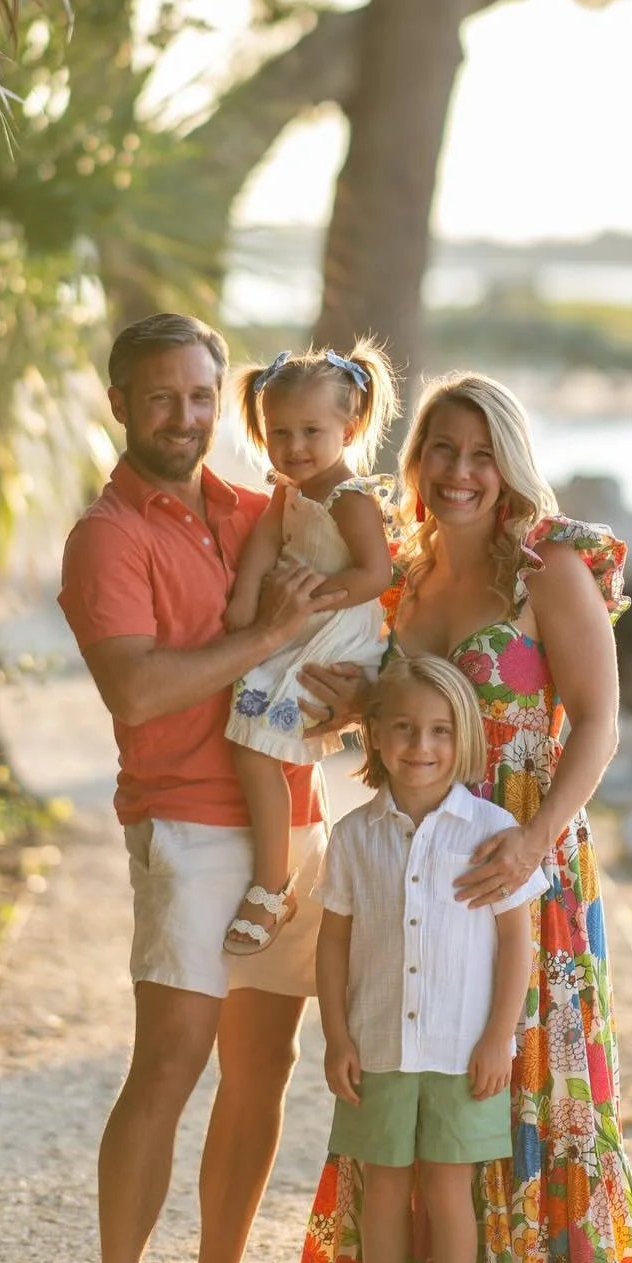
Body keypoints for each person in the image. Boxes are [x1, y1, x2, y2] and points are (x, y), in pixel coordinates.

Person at [290, 373, 632, 1263]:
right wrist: (350, 708)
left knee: (525, 1076)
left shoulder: (546, 568)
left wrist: (539, 840)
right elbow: (409, 714)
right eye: (441, 451)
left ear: (507, 463)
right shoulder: (403, 576)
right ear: (416, 461)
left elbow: (598, 722)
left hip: (521, 857)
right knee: (409, 1057)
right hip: (414, 865)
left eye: (480, 454)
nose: (460, 473)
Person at [58, 312, 337, 1263]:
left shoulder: (265, 508)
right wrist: (264, 636)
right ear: (120, 402)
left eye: (202, 395)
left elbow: (344, 626)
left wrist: (350, 699)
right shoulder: (107, 536)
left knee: (263, 1069)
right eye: (162, 395)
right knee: (169, 1065)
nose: (186, 415)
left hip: (290, 819)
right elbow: (136, 688)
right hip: (188, 822)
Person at [316, 653, 546, 1263]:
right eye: (406, 728)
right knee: (383, 1191)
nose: (423, 745)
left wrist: (498, 1038)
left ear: (465, 739)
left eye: (442, 730)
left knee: (450, 1193)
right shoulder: (354, 836)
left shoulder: (492, 830)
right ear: (376, 735)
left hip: (460, 1050)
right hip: (378, 1044)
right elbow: (334, 940)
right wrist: (337, 1037)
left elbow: (517, 941)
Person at [222, 343, 398, 956]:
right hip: (297, 625)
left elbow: (376, 574)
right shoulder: (289, 490)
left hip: (333, 631)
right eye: (280, 433)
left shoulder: (351, 498)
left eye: (312, 432)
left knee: (253, 748)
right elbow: (264, 547)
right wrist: (245, 607)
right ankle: (292, 864)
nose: (294, 447)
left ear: (348, 429)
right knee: (252, 737)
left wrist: (310, 601)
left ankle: (273, 886)